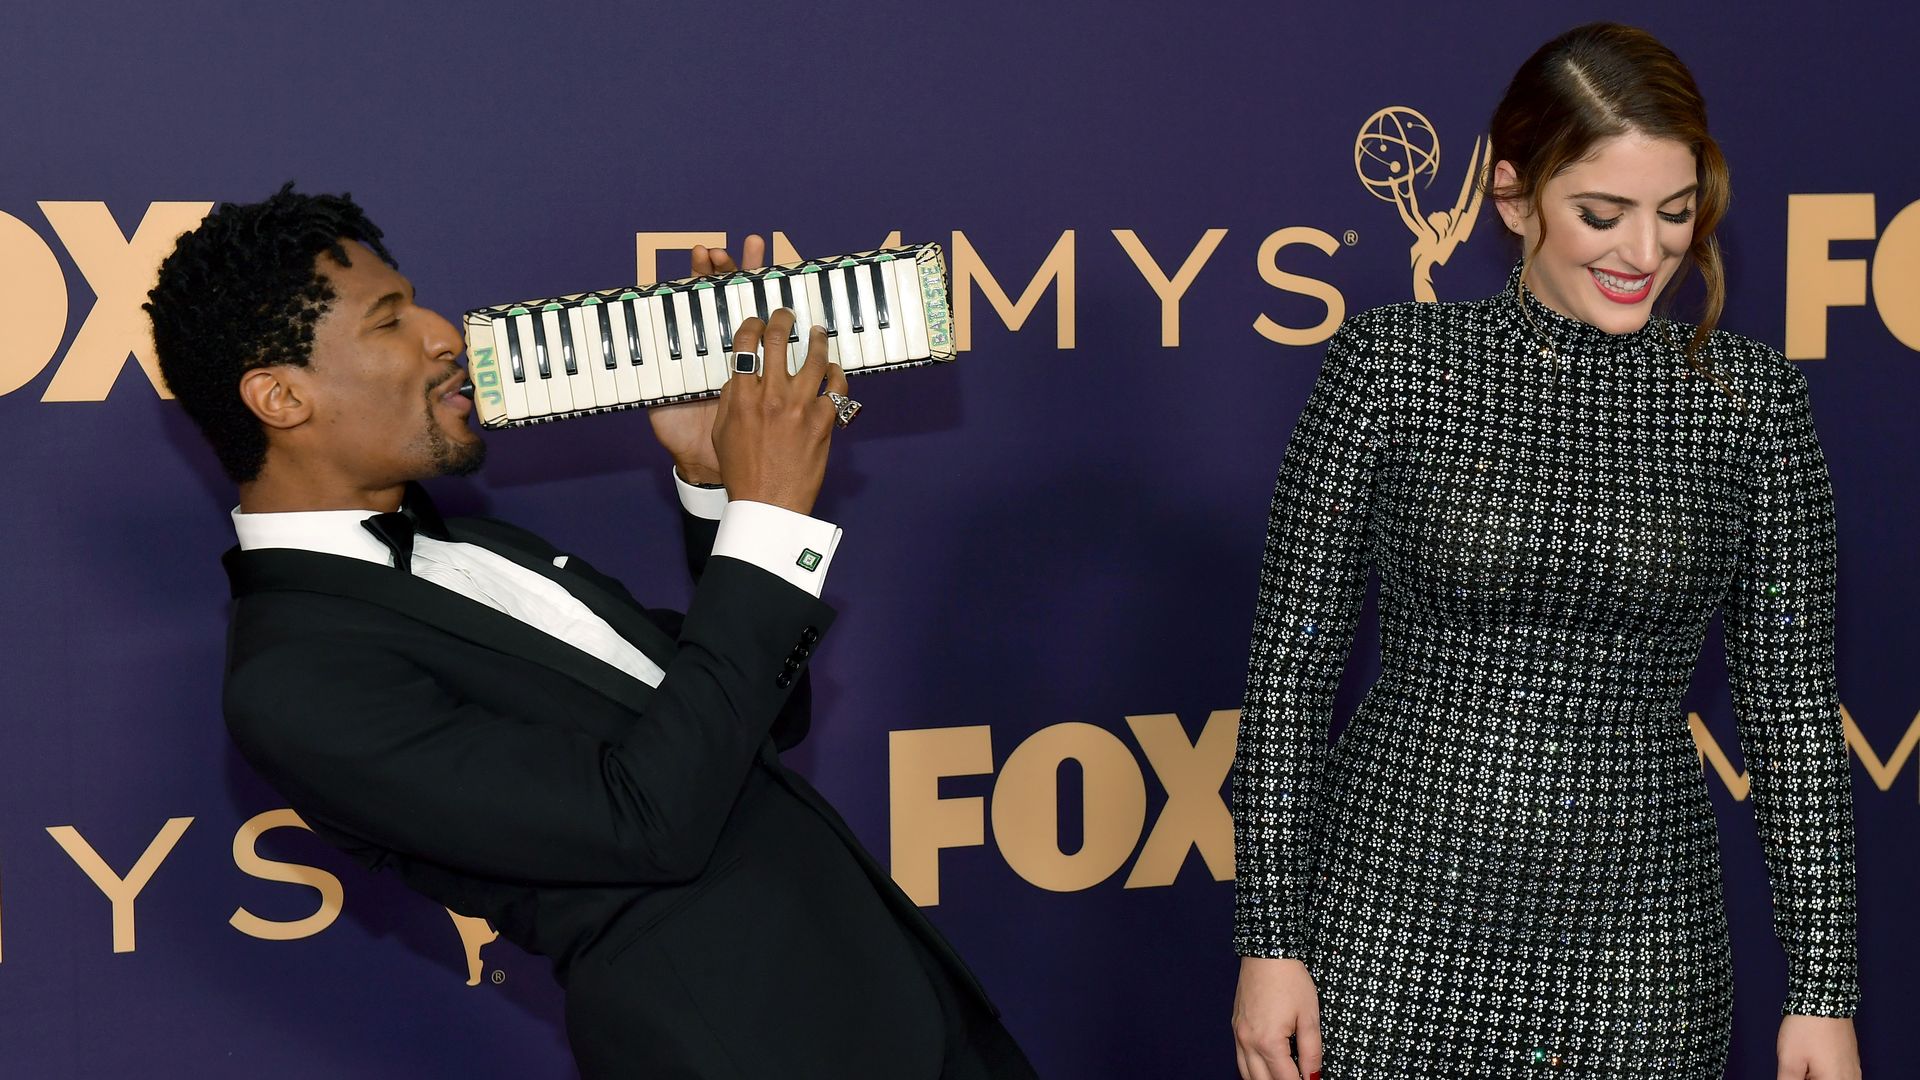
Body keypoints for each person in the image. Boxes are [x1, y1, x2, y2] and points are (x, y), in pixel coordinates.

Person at [145, 186, 1037, 1080]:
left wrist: (714, 479)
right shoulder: (293, 679)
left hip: (913, 1010)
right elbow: (651, 822)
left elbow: (752, 723)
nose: (443, 331)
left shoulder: (474, 545)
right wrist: (771, 518)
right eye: (389, 322)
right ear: (280, 396)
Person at [1228, 23, 1861, 1080]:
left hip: (1644, 940)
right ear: (1515, 199)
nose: (1647, 252)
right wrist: (1270, 940)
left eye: (1675, 213)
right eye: (1601, 215)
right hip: (1390, 916)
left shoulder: (1752, 405)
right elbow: (1292, 674)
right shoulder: (1394, 370)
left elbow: (1794, 716)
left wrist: (1824, 992)